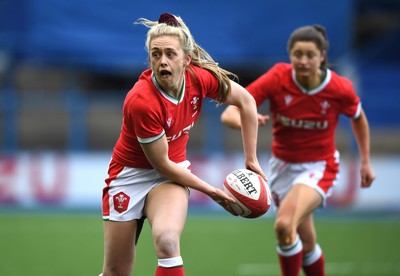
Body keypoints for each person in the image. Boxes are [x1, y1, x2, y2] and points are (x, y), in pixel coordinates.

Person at [100, 12, 266, 276]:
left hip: (169, 178)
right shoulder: (142, 101)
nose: (162, 61)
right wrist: (211, 190)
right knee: (116, 272)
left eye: (170, 54)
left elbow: (246, 101)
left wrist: (251, 160)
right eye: (156, 54)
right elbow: (162, 164)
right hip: (129, 178)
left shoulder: (199, 79)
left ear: (186, 60)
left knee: (167, 242)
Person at [220, 25, 376, 276]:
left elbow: (358, 118)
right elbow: (230, 113)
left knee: (283, 226)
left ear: (322, 56)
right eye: (297, 55)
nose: (303, 61)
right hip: (282, 168)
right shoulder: (278, 78)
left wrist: (366, 161)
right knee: (305, 243)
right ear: (290, 55)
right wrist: (247, 119)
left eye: (310, 55)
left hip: (319, 167)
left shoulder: (339, 88)